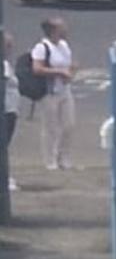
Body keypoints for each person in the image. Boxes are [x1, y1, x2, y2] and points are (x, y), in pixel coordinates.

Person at [31, 17, 76, 171]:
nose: (65, 30)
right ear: (53, 31)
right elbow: (37, 68)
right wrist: (58, 72)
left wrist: (71, 71)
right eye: (61, 28)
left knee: (69, 125)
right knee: (51, 127)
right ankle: (50, 161)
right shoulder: (42, 47)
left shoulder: (64, 46)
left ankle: (64, 158)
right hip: (49, 93)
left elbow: (68, 64)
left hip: (65, 90)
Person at [3, 32, 19, 191]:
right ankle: (5, 178)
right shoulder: (3, 66)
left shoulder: (6, 63)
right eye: (8, 46)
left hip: (11, 110)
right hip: (6, 110)